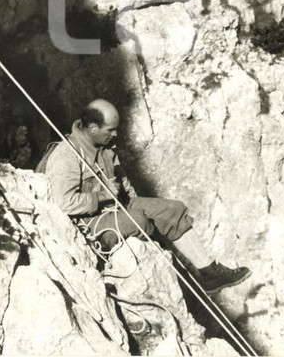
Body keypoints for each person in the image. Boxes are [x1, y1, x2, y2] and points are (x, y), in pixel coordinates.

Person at [42, 99, 251, 294]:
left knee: (173, 210)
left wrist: (144, 205)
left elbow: (122, 183)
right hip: (90, 222)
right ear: (93, 128)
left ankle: (208, 274)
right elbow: (65, 203)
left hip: (114, 206)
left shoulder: (104, 147)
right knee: (139, 221)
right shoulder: (67, 154)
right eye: (110, 130)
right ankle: (169, 276)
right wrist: (103, 196)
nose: (115, 135)